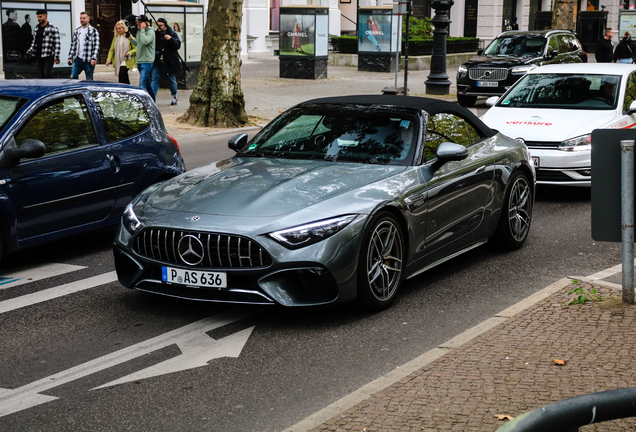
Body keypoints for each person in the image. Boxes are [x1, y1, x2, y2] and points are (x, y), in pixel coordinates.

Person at [151, 17, 182, 106]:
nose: (159, 27)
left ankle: (174, 96)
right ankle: (153, 98)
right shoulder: (155, 34)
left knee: (171, 79)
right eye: (158, 25)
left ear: (165, 26)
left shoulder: (171, 33)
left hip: (169, 62)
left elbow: (177, 45)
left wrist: (170, 39)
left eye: (161, 26)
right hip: (157, 61)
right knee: (155, 78)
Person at [25, 10, 61, 78]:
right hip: (39, 55)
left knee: (47, 73)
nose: (39, 19)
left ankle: (51, 87)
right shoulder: (36, 28)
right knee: (41, 74)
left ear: (46, 16)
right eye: (38, 17)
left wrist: (57, 56)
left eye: (40, 17)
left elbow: (57, 43)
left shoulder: (52, 28)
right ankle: (43, 88)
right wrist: (29, 52)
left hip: (48, 55)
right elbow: (34, 42)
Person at [128, 15, 156, 100]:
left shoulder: (151, 32)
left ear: (145, 23)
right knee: (147, 82)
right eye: (138, 22)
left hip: (147, 60)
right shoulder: (140, 31)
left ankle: (141, 101)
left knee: (142, 81)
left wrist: (143, 29)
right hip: (140, 60)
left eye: (140, 22)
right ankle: (152, 100)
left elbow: (144, 42)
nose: (138, 24)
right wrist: (130, 38)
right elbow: (138, 43)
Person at [67, 11, 100, 80]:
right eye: (81, 18)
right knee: (73, 77)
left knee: (89, 79)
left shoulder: (93, 31)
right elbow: (73, 44)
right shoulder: (77, 30)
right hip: (78, 59)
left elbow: (96, 45)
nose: (82, 20)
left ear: (88, 19)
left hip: (88, 60)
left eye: (84, 18)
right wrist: (70, 57)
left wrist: (94, 58)